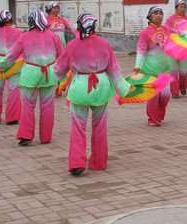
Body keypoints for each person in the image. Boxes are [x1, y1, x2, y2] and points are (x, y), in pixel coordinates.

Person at [55, 13, 133, 176]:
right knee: (100, 127)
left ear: (79, 26)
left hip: (80, 89)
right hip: (101, 88)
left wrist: (56, 81)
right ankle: (99, 162)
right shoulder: (104, 44)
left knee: (78, 127)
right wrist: (124, 89)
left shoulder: (72, 46)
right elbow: (114, 70)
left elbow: (60, 68)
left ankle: (77, 162)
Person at [0, 11, 63, 146]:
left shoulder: (24, 37)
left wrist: (0, 67)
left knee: (28, 106)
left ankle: (26, 136)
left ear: (31, 22)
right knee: (48, 106)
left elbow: (11, 55)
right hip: (50, 75)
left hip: (30, 75)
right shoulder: (53, 36)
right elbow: (62, 56)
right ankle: (46, 137)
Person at [134, 6, 172, 127]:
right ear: (150, 16)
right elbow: (141, 50)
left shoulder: (166, 29)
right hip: (150, 71)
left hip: (165, 69)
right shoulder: (145, 33)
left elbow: (180, 34)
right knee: (153, 97)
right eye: (156, 13)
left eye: (161, 13)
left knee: (165, 96)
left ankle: (159, 115)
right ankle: (152, 118)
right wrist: (137, 65)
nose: (159, 15)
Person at [165, 0, 187, 98]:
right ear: (176, 8)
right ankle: (175, 92)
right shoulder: (170, 20)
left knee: (185, 71)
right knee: (173, 71)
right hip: (173, 49)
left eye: (184, 7)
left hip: (185, 49)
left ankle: (183, 86)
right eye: (181, 7)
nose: (183, 9)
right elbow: (166, 32)